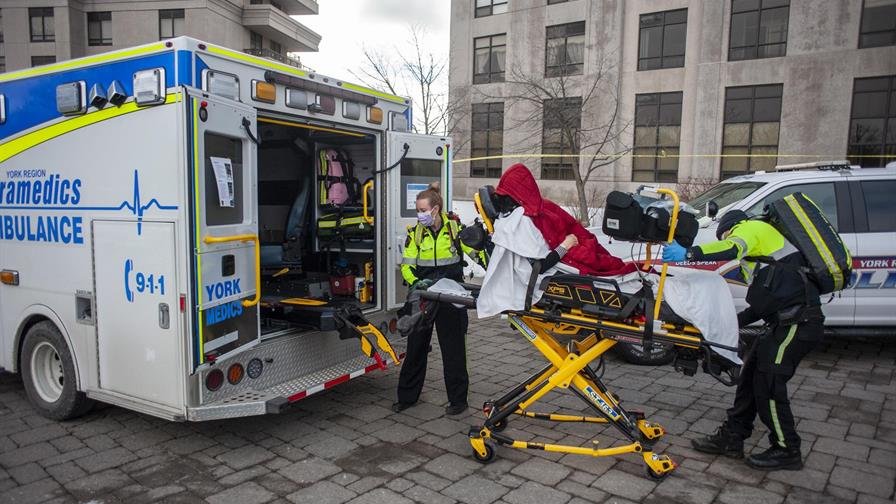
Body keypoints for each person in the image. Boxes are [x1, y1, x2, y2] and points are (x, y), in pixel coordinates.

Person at [663, 210, 823, 471]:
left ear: (730, 227)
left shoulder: (751, 228)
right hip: (781, 323)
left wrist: (689, 254)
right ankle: (732, 438)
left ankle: (787, 449)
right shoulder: (766, 253)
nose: (727, 238)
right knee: (749, 380)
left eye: (725, 234)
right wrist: (725, 324)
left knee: (769, 385)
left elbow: (732, 247)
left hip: (798, 324)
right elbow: (761, 305)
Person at [393, 185, 481, 416]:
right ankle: (407, 398)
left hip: (450, 296)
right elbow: (407, 266)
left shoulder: (454, 230)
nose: (419, 214)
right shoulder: (416, 234)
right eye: (417, 210)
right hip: (423, 295)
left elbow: (475, 253)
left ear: (436, 209)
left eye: (423, 210)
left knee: (453, 350)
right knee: (415, 348)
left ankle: (458, 401)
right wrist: (416, 282)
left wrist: (488, 256)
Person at [492, 164, 634, 276]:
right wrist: (566, 245)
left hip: (572, 241)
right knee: (606, 263)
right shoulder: (521, 222)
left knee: (600, 254)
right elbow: (539, 266)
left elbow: (571, 226)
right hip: (566, 249)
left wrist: (576, 241)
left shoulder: (537, 209)